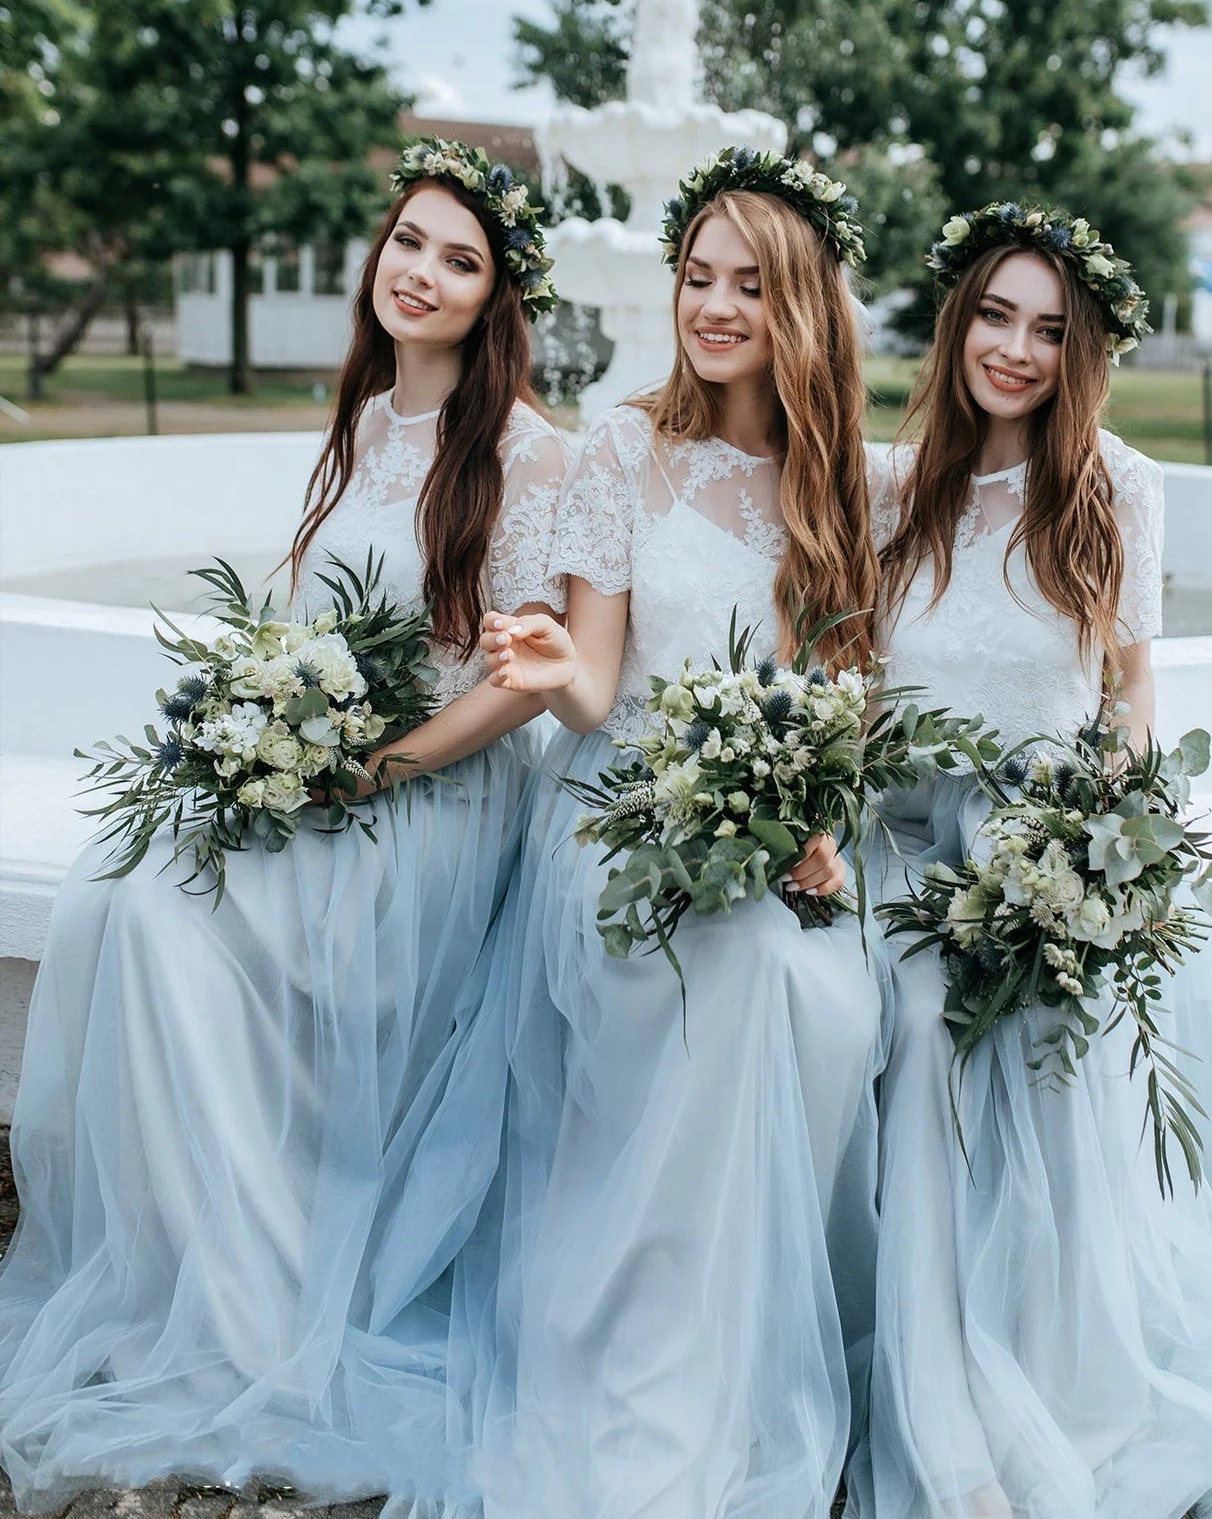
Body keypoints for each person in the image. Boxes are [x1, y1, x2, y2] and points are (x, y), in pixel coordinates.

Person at [0, 140, 570, 1510]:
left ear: (498, 299)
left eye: (458, 259)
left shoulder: (531, 457)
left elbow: (517, 685)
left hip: (433, 802)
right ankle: (213, 1287)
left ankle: (274, 1311)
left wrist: (375, 769)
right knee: (127, 901)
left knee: (174, 922)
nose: (420, 273)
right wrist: (264, 727)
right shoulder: (368, 424)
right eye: (409, 243)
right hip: (329, 778)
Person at [849, 201, 1212, 1519]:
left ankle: (1057, 1385)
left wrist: (1100, 849)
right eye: (994, 315)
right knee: (896, 1020)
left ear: (1084, 352)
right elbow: (847, 681)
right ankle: (929, 1397)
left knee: (1040, 1041)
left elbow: (1127, 703)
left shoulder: (1117, 483)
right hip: (900, 847)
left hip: (1041, 840)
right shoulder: (892, 488)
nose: (1014, 348)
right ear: (957, 322)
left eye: (1049, 330)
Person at [472, 148, 893, 1519]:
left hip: (770, 824)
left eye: (749, 286)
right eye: (697, 278)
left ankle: (754, 1342)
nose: (713, 307)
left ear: (805, 309)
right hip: (619, 815)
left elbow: (841, 700)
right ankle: (658, 1361)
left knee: (804, 983)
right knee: (725, 977)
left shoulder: (841, 489)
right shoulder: (620, 444)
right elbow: (595, 686)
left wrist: (820, 824)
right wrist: (542, 671)